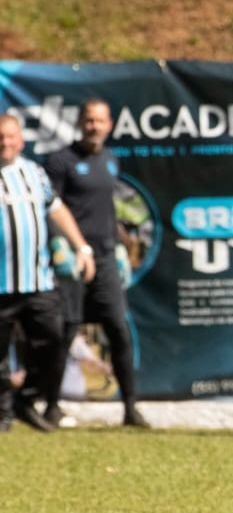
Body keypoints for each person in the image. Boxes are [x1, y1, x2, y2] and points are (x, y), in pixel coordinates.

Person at [43, 99, 148, 428]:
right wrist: (67, 250)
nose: (94, 126)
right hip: (73, 262)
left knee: (118, 329)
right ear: (79, 122)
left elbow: (105, 209)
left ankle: (130, 409)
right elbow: (50, 208)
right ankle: (50, 407)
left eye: (100, 121)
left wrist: (121, 245)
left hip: (105, 261)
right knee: (66, 333)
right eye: (89, 120)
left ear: (110, 125)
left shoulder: (110, 160)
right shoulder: (60, 161)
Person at [0, 113, 96, 432]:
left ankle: (26, 399)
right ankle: (3, 415)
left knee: (54, 343)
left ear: (21, 140)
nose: (5, 142)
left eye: (10, 136)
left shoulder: (34, 173)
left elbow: (56, 210)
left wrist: (81, 247)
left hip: (37, 281)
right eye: (0, 136)